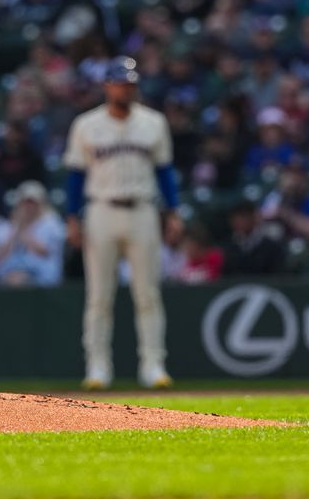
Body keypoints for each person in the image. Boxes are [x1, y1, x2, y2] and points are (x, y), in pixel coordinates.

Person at [64, 56, 179, 390]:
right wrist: (73, 217)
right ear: (107, 86)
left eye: (130, 83)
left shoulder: (153, 123)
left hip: (143, 209)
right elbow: (74, 175)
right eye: (119, 83)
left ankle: (153, 365)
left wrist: (173, 212)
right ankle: (97, 368)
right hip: (101, 209)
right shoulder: (86, 125)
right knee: (99, 296)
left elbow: (165, 172)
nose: (125, 89)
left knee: (148, 294)